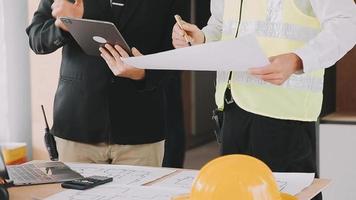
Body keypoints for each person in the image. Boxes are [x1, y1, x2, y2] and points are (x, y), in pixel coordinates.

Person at [171, 0, 356, 199]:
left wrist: (298, 59)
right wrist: (203, 38)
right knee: (234, 194)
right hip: (231, 109)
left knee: (286, 195)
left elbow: (347, 22)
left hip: (283, 113)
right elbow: (222, 26)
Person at [26, 0, 187, 167]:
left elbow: (180, 54)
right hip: (77, 125)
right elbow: (36, 38)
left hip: (141, 128)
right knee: (72, 194)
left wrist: (144, 74)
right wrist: (62, 25)